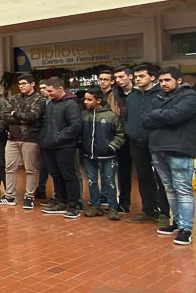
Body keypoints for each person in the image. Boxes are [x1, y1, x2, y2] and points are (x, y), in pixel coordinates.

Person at [143, 66, 196, 246]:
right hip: (158, 148)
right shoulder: (158, 97)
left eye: (167, 80)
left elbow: (176, 116)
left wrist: (157, 115)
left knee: (183, 189)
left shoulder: (191, 97)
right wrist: (164, 117)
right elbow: (145, 120)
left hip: (180, 149)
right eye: (161, 81)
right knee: (169, 188)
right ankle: (177, 222)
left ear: (178, 80)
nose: (163, 84)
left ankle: (186, 229)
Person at [124, 63, 170, 229]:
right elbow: (127, 117)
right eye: (136, 77)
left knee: (161, 177)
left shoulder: (161, 95)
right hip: (136, 142)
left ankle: (164, 213)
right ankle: (148, 211)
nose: (138, 79)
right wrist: (129, 130)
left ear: (152, 77)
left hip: (156, 142)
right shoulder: (132, 96)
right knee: (143, 176)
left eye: (142, 76)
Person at [37, 77, 83, 219]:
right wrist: (44, 138)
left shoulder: (71, 104)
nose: (48, 93)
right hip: (48, 145)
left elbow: (75, 126)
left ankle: (74, 206)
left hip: (65, 146)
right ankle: (60, 201)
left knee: (69, 176)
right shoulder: (51, 103)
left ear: (60, 88)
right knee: (56, 175)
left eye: (50, 91)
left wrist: (57, 137)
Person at [80, 87, 125, 220]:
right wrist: (81, 144)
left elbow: (120, 134)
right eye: (85, 99)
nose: (85, 102)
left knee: (109, 180)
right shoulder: (84, 115)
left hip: (108, 155)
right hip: (88, 154)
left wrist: (112, 146)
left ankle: (113, 207)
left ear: (98, 100)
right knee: (92, 180)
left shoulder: (111, 116)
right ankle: (95, 206)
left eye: (89, 99)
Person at [0, 73, 43, 208]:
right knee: (9, 168)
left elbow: (33, 116)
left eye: (24, 83)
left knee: (30, 169)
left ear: (32, 84)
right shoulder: (15, 98)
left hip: (30, 138)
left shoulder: (39, 99)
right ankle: (9, 196)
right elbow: (5, 115)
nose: (21, 86)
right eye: (19, 84)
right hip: (12, 138)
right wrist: (21, 118)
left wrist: (15, 114)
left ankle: (29, 197)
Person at [112, 66, 135, 213]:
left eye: (121, 77)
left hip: (139, 137)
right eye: (116, 78)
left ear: (130, 76)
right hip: (122, 136)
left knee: (147, 174)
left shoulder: (139, 93)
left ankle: (153, 206)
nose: (118, 80)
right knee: (123, 172)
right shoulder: (115, 94)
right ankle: (124, 203)